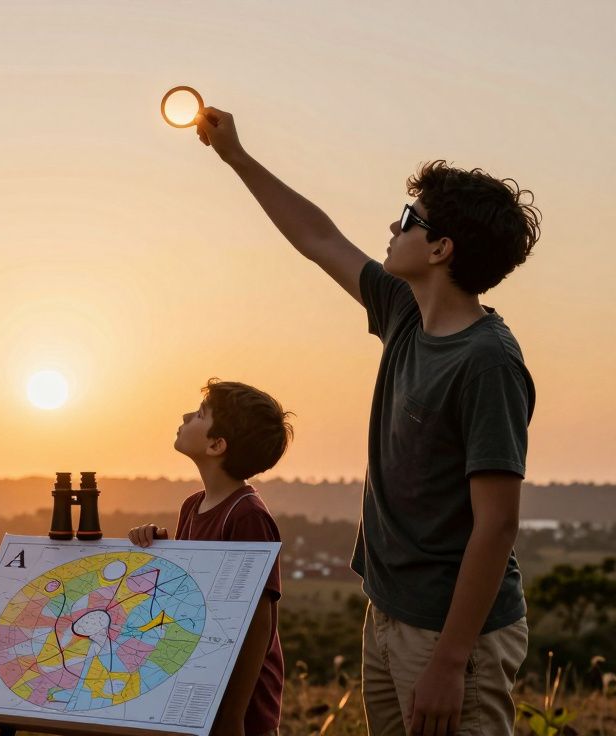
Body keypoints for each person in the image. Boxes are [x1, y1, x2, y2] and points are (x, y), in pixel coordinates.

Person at [193, 106, 539, 736]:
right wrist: (237, 158)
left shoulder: (487, 361)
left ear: (440, 248)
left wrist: (450, 660)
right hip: (388, 613)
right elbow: (319, 238)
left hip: (450, 635)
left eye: (408, 220)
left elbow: (498, 525)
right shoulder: (405, 311)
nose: (391, 224)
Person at [131, 379, 292, 736]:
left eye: (201, 414)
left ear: (217, 445)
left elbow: (259, 625)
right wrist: (162, 552)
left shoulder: (247, 515)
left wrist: (234, 714)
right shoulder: (192, 505)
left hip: (240, 692)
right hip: (203, 677)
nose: (187, 415)